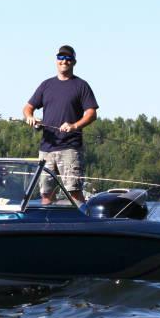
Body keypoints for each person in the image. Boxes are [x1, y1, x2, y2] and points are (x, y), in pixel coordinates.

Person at [23, 45, 99, 204]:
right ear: (56, 60)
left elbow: (92, 113)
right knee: (46, 194)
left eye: (68, 58)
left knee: (75, 192)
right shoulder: (46, 85)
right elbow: (27, 107)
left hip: (70, 149)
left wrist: (74, 126)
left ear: (74, 62)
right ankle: (47, 227)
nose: (64, 61)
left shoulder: (81, 85)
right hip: (46, 149)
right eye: (61, 58)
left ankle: (83, 226)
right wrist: (30, 117)